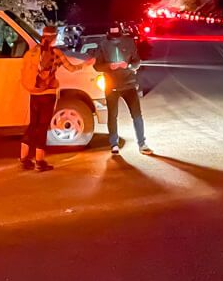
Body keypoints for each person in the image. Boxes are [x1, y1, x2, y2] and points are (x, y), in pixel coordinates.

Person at [19, 24, 91, 172]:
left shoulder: (32, 52)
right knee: (43, 127)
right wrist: (85, 64)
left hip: (34, 93)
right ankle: (39, 162)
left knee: (33, 125)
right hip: (48, 94)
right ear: (54, 37)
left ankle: (24, 159)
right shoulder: (55, 52)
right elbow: (71, 68)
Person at [95, 25, 152, 156]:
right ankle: (114, 144)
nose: (115, 38)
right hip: (111, 86)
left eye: (117, 33)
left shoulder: (129, 42)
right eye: (112, 34)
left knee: (137, 114)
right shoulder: (103, 44)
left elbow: (137, 62)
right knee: (112, 115)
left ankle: (142, 143)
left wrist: (129, 66)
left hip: (129, 84)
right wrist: (109, 66)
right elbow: (97, 66)